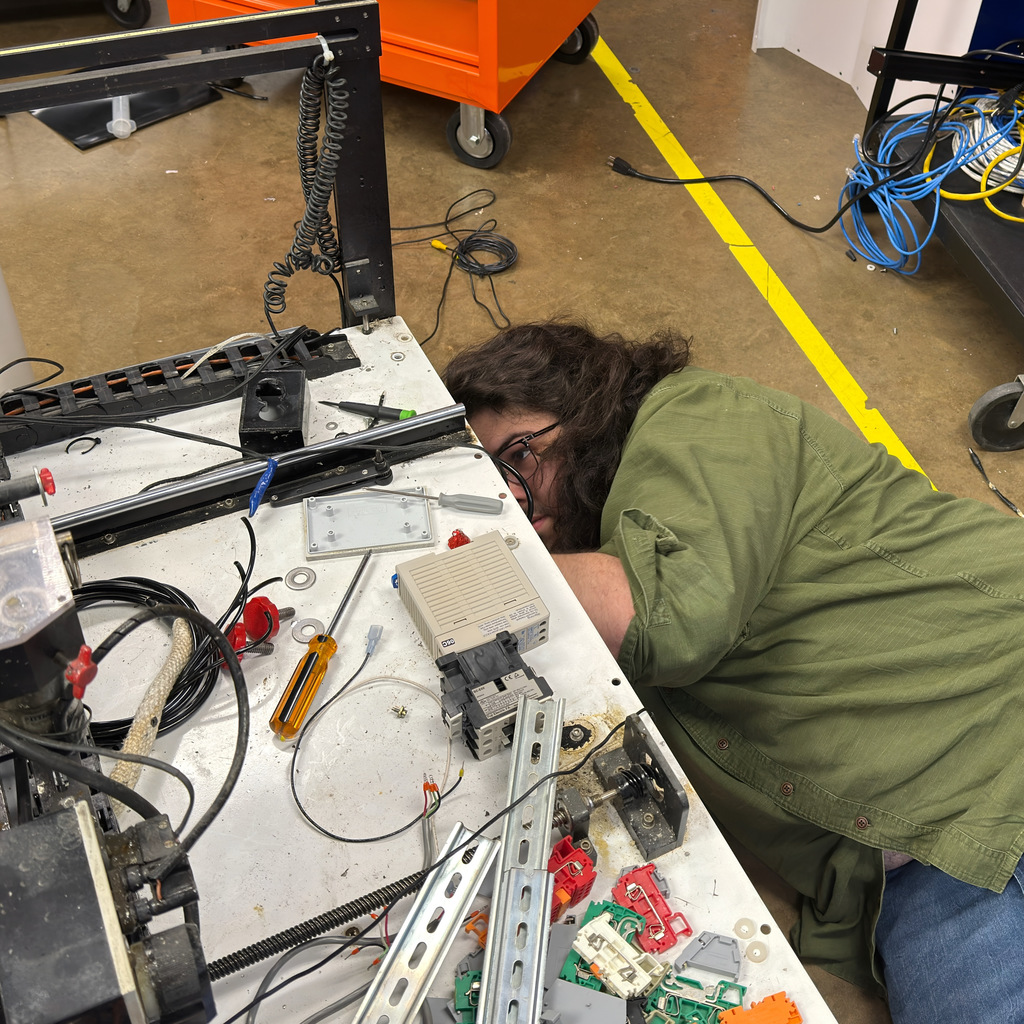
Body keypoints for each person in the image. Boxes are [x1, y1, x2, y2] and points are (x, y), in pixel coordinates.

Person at [443, 319, 1024, 1024]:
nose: (523, 512)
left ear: (585, 399)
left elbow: (671, 616)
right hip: (914, 870)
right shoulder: (611, 561)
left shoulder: (693, 415)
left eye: (521, 459)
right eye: (496, 492)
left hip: (1001, 739)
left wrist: (458, 572)